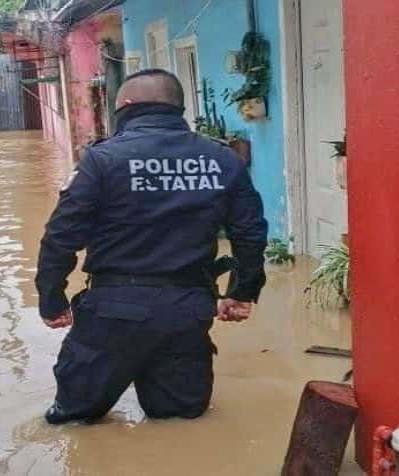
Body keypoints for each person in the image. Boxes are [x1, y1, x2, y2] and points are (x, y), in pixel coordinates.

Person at [36, 69, 268, 425]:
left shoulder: (101, 160)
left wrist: (52, 298)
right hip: (187, 311)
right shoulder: (223, 159)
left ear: (126, 106)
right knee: (179, 421)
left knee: (73, 422)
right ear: (176, 108)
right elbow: (250, 233)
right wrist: (242, 291)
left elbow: (61, 236)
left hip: (111, 313)